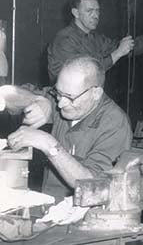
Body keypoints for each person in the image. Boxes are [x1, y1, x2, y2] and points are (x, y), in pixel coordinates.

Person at [2, 56, 133, 200]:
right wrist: (37, 99)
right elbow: (6, 93)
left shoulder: (115, 123)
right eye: (58, 93)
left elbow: (92, 184)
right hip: (50, 206)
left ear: (96, 93)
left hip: (87, 215)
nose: (60, 104)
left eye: (70, 98)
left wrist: (48, 144)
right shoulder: (62, 98)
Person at [47, 0, 143, 83]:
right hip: (69, 98)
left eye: (97, 10)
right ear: (76, 13)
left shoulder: (96, 38)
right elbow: (83, 74)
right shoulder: (64, 40)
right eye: (89, 11)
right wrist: (118, 53)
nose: (95, 16)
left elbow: (123, 46)